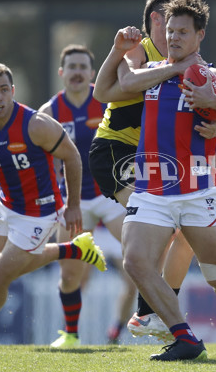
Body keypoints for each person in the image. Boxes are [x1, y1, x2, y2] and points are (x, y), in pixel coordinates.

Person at [101, 0, 216, 361]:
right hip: (151, 188)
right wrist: (119, 52)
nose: (173, 37)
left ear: (200, 35)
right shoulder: (152, 74)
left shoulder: (215, 76)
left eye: (182, 32)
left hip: (196, 192)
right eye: (170, 31)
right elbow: (109, 89)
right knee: (135, 260)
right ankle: (185, 338)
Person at [91, 0, 216, 343]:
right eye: (169, 24)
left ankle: (152, 311)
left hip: (150, 161)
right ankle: (147, 313)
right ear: (155, 22)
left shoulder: (187, 63)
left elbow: (203, 109)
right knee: (160, 225)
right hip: (115, 151)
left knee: (182, 235)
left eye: (183, 28)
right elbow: (123, 85)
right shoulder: (139, 49)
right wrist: (174, 67)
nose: (175, 33)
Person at [0, 61, 106, 348]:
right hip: (7, 207)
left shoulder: (35, 124)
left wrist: (73, 205)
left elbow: (73, 156)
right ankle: (73, 250)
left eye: (3, 90)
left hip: (41, 211)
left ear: (13, 91)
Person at [38, 44, 130, 348]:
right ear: (62, 73)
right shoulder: (49, 113)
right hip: (74, 201)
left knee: (140, 255)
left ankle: (128, 325)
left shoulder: (108, 100)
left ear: (92, 73)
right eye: (71, 67)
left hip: (111, 194)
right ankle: (71, 334)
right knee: (70, 274)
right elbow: (44, 165)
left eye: (83, 67)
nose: (77, 73)